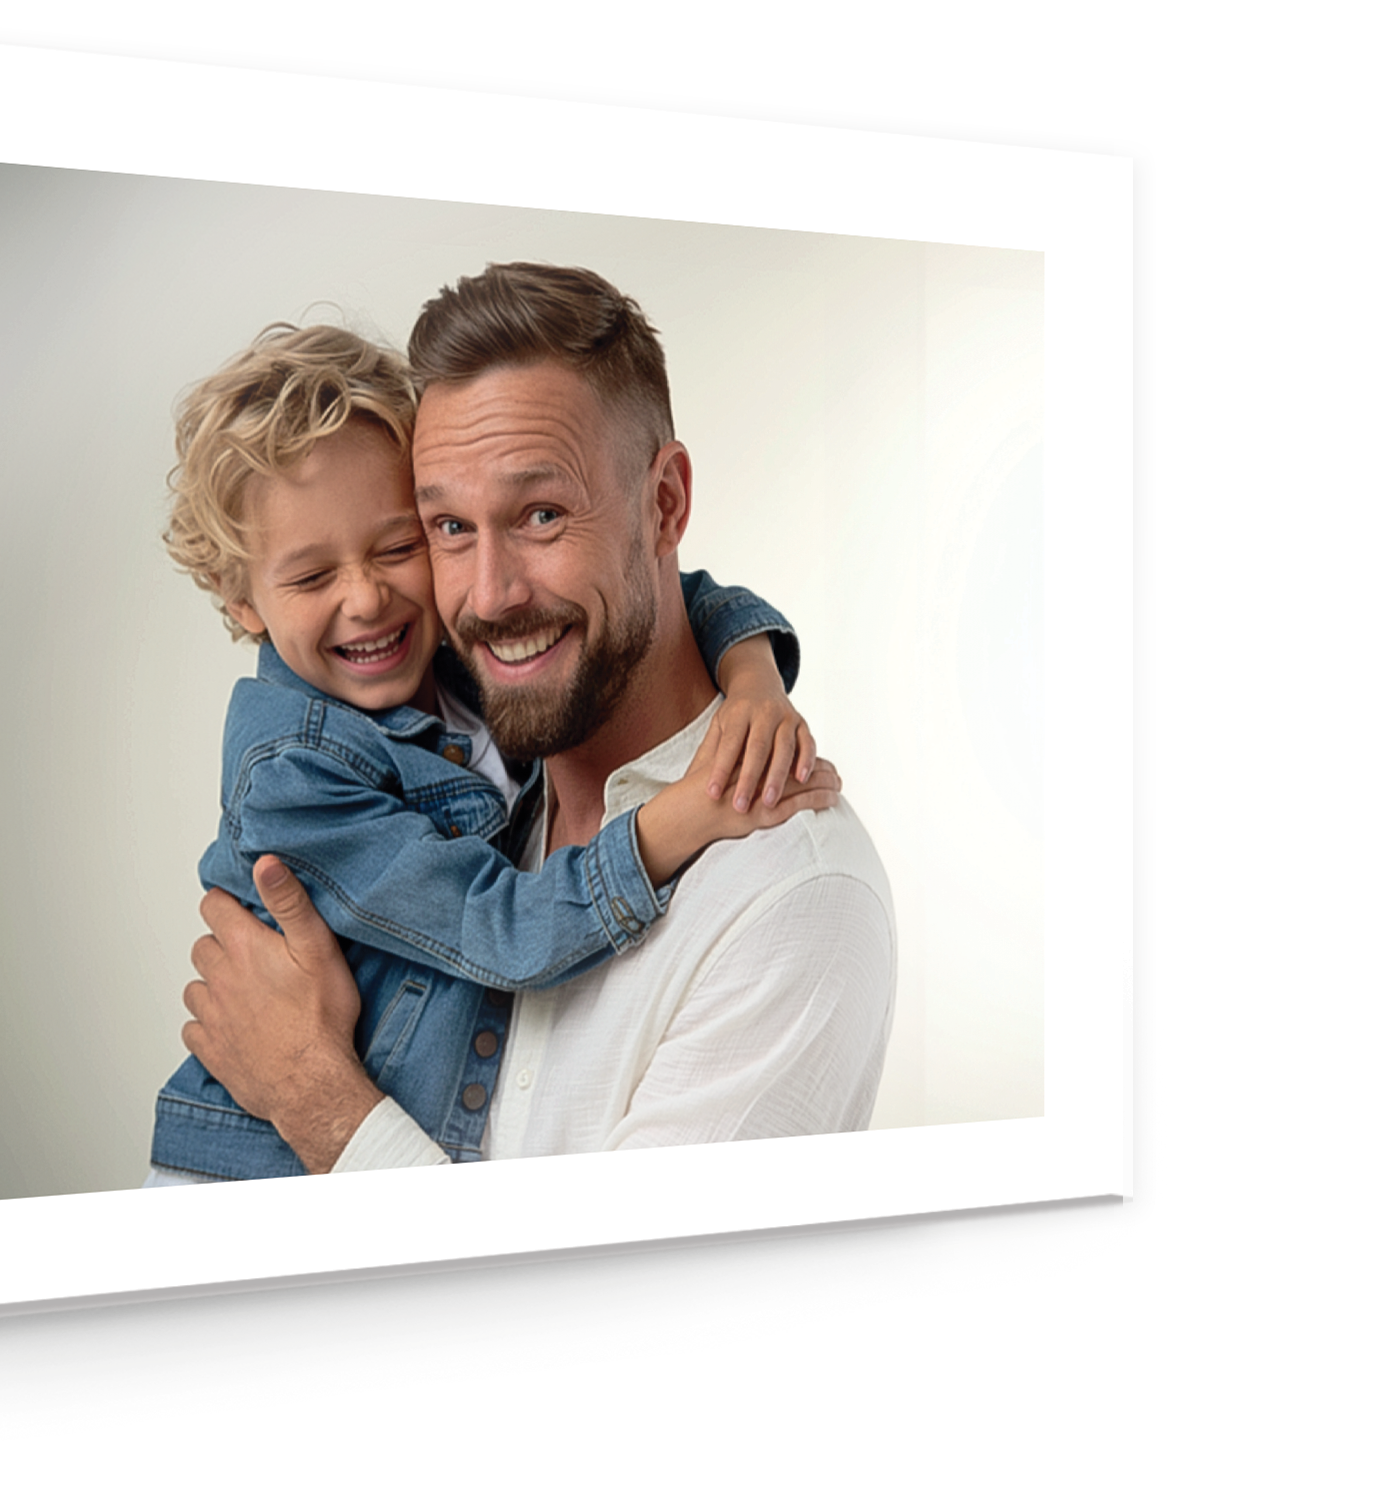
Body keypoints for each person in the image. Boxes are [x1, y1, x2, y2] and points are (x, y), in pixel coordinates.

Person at [179, 265, 897, 1175]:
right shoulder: (458, 765)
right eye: (446, 528)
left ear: (664, 503)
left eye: (542, 514)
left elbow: (610, 1317)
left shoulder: (789, 892)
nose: (488, 595)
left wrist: (310, 1093)